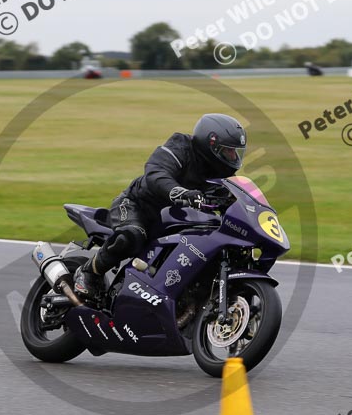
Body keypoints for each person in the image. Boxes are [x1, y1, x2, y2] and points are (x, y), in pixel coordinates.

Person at [73, 113, 247, 298]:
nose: (233, 156)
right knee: (131, 236)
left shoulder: (222, 175)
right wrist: (181, 192)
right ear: (209, 144)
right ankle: (88, 272)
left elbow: (236, 201)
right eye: (228, 150)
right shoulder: (180, 147)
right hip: (138, 206)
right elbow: (156, 173)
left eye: (235, 151)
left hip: (177, 221)